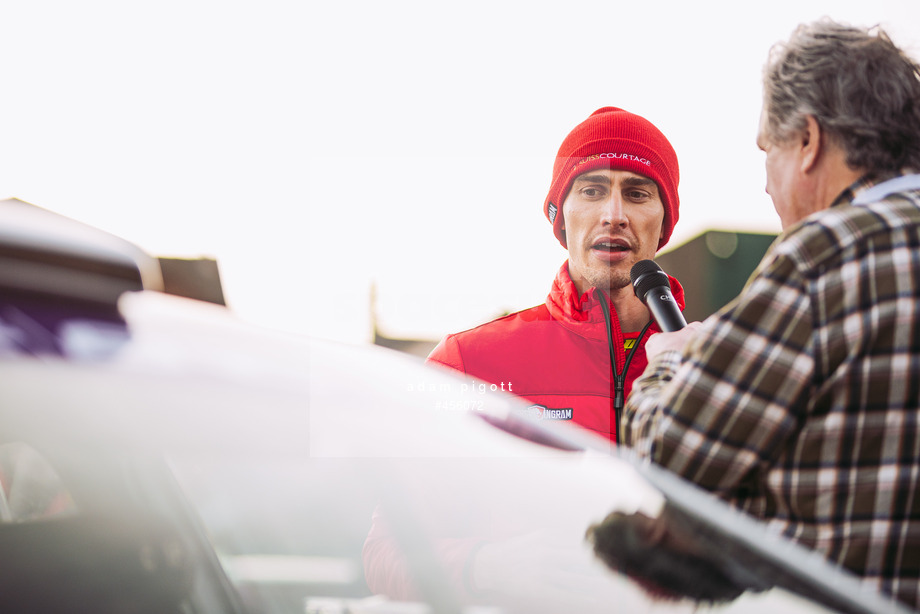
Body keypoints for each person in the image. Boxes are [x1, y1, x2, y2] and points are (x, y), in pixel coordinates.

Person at [621, 19, 920, 609]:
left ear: (808, 141)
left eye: (768, 150)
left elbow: (669, 455)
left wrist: (671, 367)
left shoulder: (825, 256)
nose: (764, 184)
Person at [428, 106, 685, 445]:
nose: (614, 215)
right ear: (560, 217)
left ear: (666, 222)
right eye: (592, 191)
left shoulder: (716, 369)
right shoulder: (465, 364)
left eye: (636, 194)